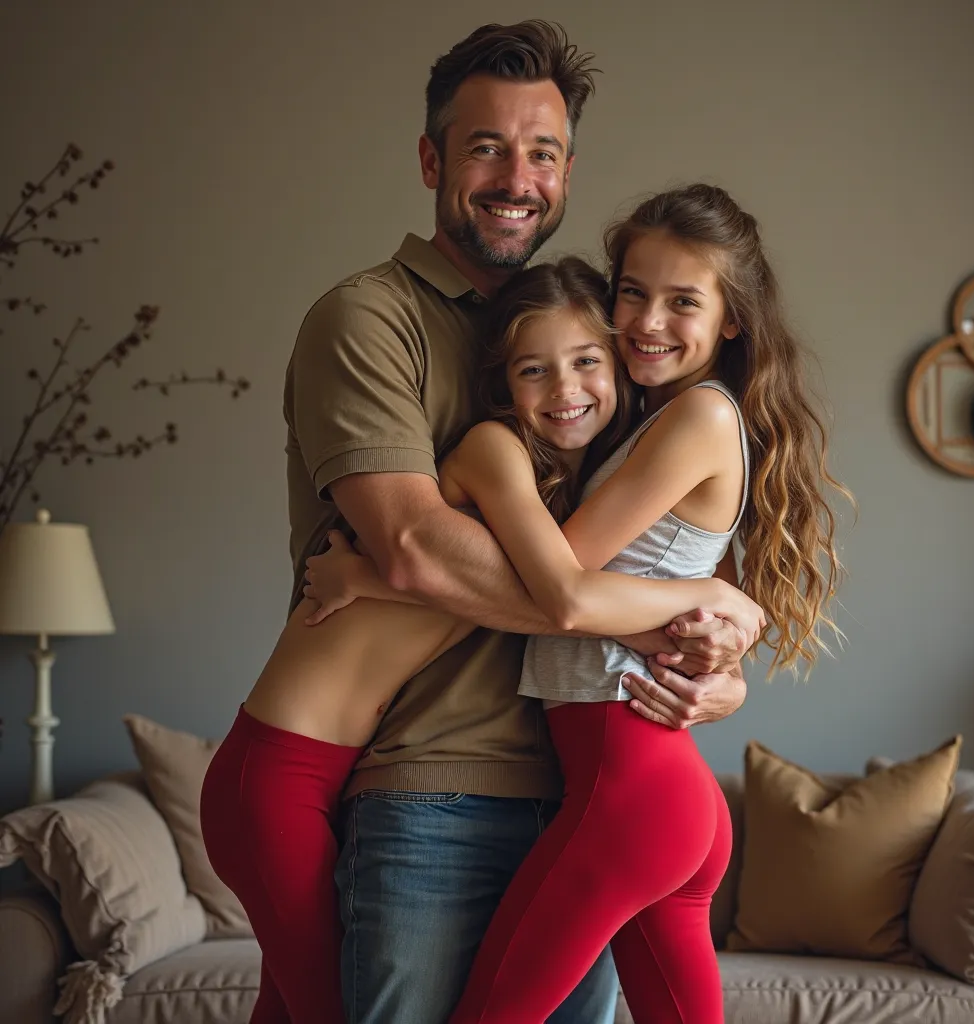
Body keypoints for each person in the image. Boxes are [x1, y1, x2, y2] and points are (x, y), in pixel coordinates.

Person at [223, 21, 750, 1024]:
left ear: (566, 172)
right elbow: (419, 546)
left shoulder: (596, 332)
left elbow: (640, 544)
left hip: (581, 791)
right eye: (485, 147)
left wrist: (718, 644)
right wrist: (667, 613)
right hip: (431, 795)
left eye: (541, 152)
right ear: (431, 159)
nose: (517, 177)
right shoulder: (369, 318)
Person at [391, 183, 848, 1024]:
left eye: (684, 301)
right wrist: (716, 611)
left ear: (731, 320)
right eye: (633, 292)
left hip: (630, 787)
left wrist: (388, 569)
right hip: (658, 793)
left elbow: (561, 576)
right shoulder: (652, 415)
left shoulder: (699, 417)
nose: (648, 321)